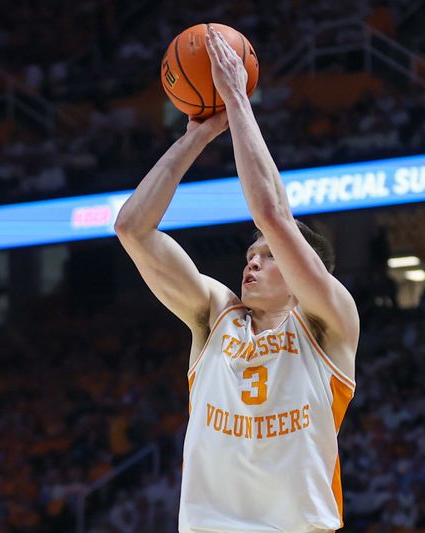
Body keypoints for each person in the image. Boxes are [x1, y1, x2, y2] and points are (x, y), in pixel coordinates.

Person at [114, 27, 359, 533]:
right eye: (250, 256)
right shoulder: (216, 315)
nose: (252, 263)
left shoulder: (328, 324)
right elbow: (132, 229)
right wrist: (196, 136)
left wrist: (236, 101)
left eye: (269, 258)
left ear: (302, 275)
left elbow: (272, 213)